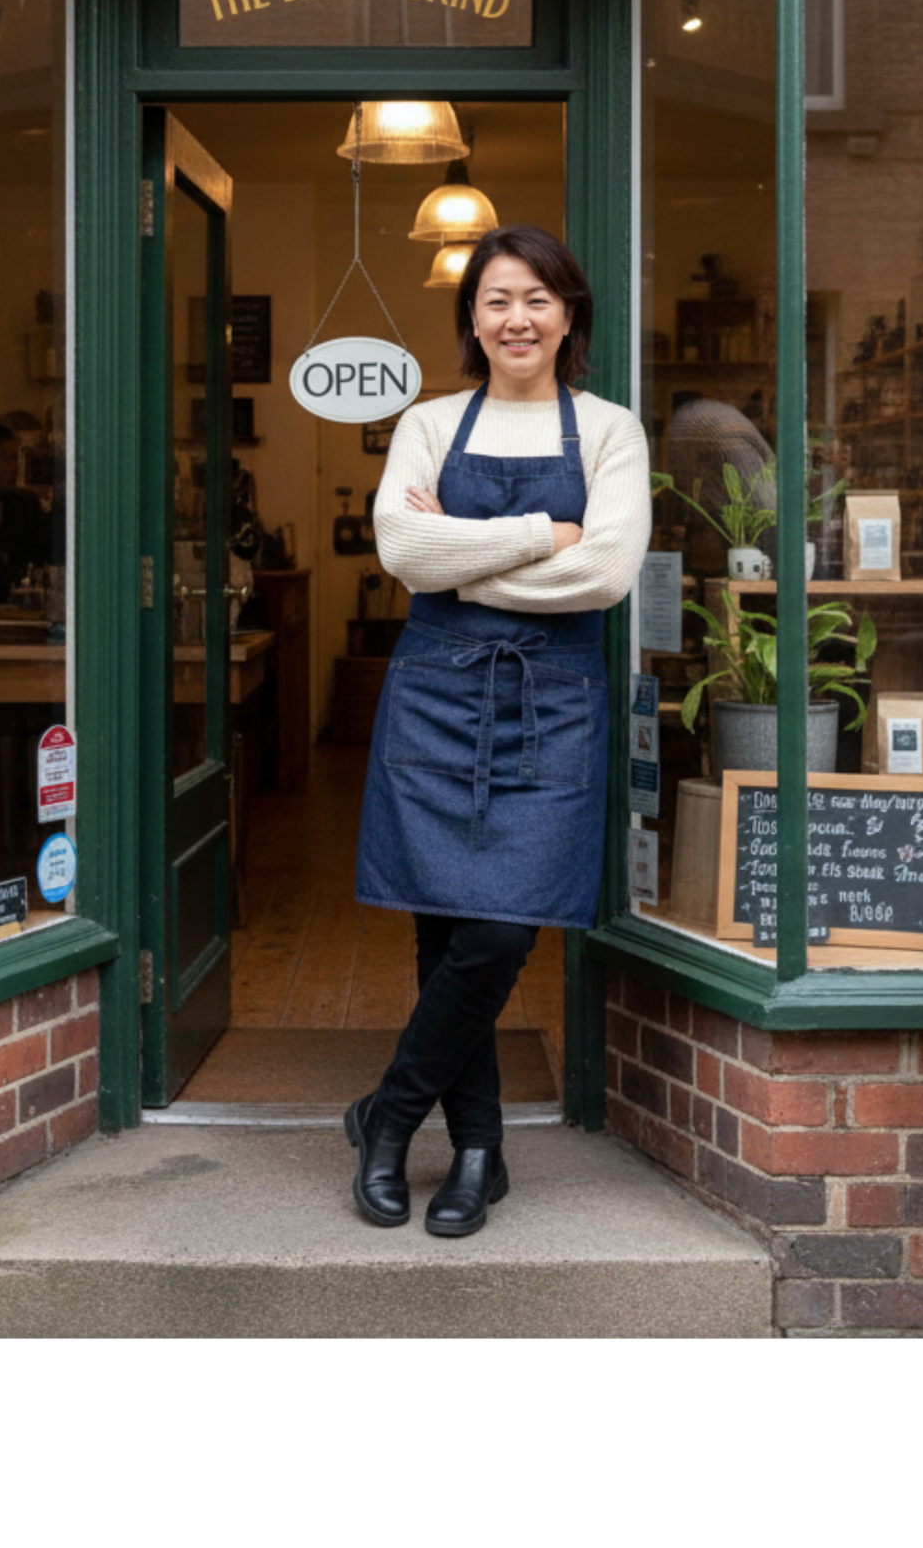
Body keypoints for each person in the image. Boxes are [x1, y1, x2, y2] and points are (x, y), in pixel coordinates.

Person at [350, 224, 650, 1237]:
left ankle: (388, 1118)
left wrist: (464, 553)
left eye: (536, 299)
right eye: (495, 301)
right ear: (470, 319)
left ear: (569, 315)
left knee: (494, 932)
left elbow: (604, 577)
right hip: (434, 693)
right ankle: (478, 1152)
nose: (515, 318)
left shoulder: (609, 431)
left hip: (550, 707)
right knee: (444, 930)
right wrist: (538, 536)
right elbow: (402, 550)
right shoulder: (430, 423)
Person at [0, 414, 55, 613]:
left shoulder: (24, 502)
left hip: (16, 605)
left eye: (17, 459)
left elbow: (40, 550)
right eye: (9, 459)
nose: (16, 466)